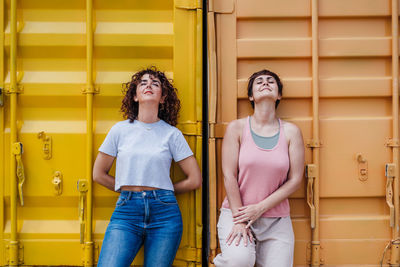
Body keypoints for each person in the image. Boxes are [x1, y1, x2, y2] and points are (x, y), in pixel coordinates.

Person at [93, 67, 202, 267]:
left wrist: (163, 192)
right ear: (135, 96)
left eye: (155, 83)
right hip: (126, 212)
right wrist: (126, 188)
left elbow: (195, 179)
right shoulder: (120, 130)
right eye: (143, 83)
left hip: (165, 214)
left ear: (162, 98)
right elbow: (98, 174)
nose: (149, 85)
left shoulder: (172, 134)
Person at [213, 69, 305, 267]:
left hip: (276, 219)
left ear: (279, 94)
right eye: (259, 82)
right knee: (239, 261)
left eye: (271, 81)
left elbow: (296, 179)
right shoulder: (237, 128)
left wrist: (260, 208)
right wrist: (239, 219)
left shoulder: (291, 132)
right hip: (237, 213)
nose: (265, 83)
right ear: (251, 96)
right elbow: (229, 175)